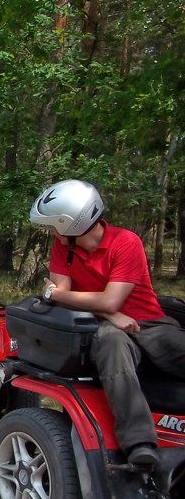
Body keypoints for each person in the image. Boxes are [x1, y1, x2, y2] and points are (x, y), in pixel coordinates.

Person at [30, 179, 185, 468]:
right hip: (111, 328)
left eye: (54, 225)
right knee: (110, 341)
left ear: (71, 224)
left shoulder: (126, 242)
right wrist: (108, 313)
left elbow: (81, 295)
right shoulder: (62, 247)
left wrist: (60, 293)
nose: (51, 232)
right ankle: (139, 442)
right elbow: (70, 300)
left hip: (151, 324)